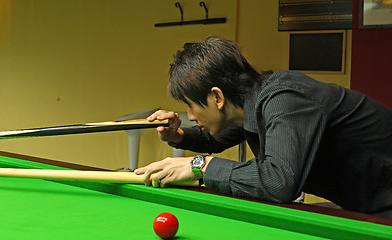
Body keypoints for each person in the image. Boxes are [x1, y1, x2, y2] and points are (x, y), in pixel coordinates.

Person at [134, 36, 392, 217]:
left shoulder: (285, 99)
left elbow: (279, 182)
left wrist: (200, 166)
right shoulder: (251, 103)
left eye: (191, 106)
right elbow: (214, 141)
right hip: (366, 205)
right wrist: (177, 135)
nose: (190, 115)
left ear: (217, 98)